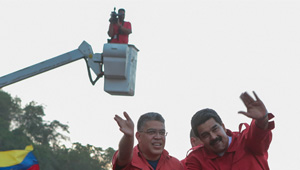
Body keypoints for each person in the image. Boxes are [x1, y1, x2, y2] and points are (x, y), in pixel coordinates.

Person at [186, 91, 275, 170]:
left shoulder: (246, 141)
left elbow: (258, 135)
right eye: (205, 135)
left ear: (223, 127)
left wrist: (262, 120)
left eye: (215, 129)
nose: (213, 137)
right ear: (200, 140)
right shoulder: (196, 160)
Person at [113, 111, 184, 170]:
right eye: (151, 132)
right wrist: (128, 136)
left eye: (162, 132)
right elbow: (123, 156)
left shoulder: (176, 165)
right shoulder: (129, 159)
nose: (158, 137)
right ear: (138, 136)